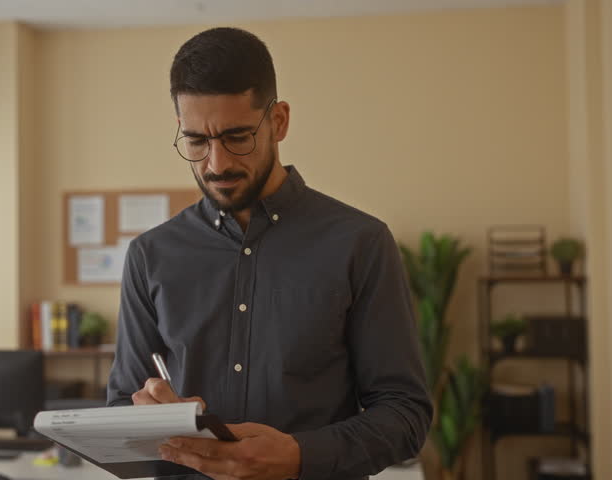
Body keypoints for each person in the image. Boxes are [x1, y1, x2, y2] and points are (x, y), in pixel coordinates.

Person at [107, 27, 432, 480]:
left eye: (238, 136)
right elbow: (123, 407)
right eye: (197, 141)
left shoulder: (361, 242)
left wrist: (300, 455)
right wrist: (148, 418)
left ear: (278, 121)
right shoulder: (149, 255)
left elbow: (405, 414)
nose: (216, 164)